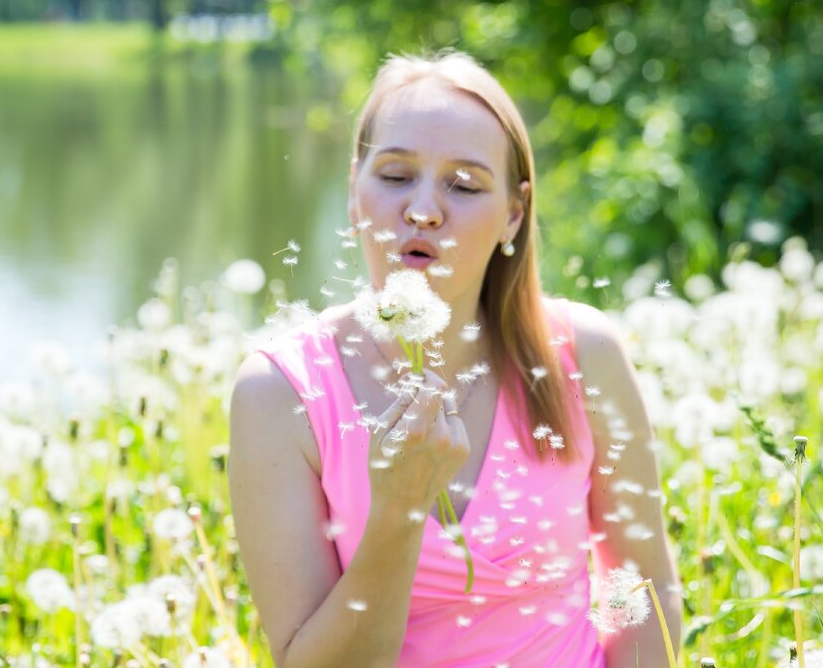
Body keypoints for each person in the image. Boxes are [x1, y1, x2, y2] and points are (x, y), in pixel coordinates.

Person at [228, 50, 681, 667]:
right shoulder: (281, 393)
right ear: (354, 190)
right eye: (393, 176)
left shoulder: (585, 357)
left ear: (513, 215)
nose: (422, 210)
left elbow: (637, 591)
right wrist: (399, 509)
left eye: (463, 185)